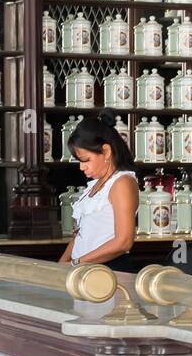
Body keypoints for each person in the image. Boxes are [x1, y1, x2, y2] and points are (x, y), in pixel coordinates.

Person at [59, 110, 139, 266]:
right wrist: (61, 265)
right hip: (83, 271)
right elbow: (79, 236)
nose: (82, 167)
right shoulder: (94, 186)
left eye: (86, 160)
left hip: (109, 271)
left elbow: (123, 242)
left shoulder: (122, 183)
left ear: (106, 151)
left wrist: (76, 263)